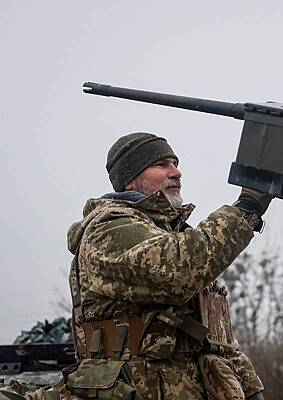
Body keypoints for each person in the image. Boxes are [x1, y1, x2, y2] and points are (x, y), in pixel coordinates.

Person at [65, 132, 271, 400]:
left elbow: (215, 335)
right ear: (129, 180)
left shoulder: (171, 234)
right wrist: (246, 208)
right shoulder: (109, 229)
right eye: (162, 165)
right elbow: (176, 271)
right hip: (139, 388)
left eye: (175, 163)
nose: (177, 172)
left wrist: (249, 387)